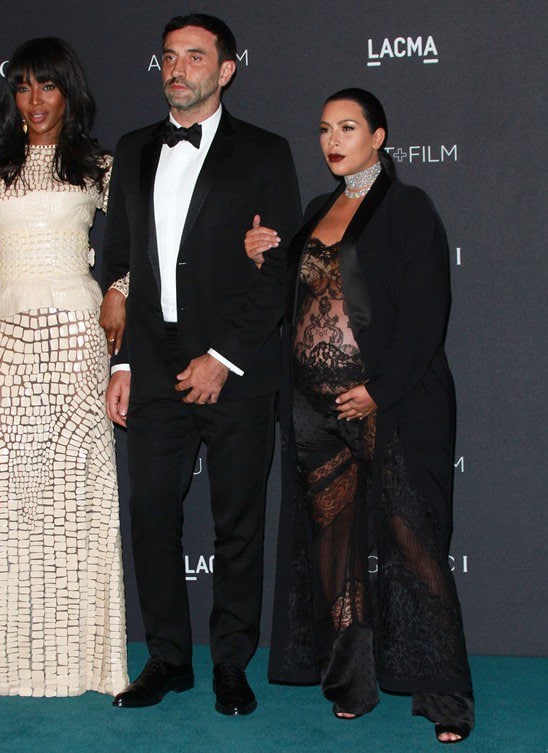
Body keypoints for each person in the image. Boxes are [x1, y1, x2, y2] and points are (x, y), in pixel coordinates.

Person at [245, 88, 473, 743]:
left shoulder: (408, 207)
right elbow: (295, 301)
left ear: (380, 135)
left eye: (348, 127)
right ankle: (352, 681)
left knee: (413, 540)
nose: (333, 139)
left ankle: (443, 693)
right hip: (314, 410)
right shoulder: (316, 210)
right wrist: (265, 255)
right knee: (335, 548)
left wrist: (378, 387)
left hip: (392, 403)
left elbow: (428, 313)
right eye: (324, 129)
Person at [0, 37, 128, 702]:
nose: (34, 101)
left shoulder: (101, 165)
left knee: (77, 495)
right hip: (3, 342)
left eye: (48, 86)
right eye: (23, 87)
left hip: (76, 343)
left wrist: (119, 292)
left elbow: (129, 252)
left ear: (70, 91)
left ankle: (89, 663)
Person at [102, 14, 301, 715]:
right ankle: (167, 658)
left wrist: (223, 357)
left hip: (236, 369)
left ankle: (230, 662)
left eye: (195, 56)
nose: (177, 68)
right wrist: (122, 361)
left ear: (225, 70)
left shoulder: (266, 152)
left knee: (237, 519)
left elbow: (276, 271)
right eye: (168, 56)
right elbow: (117, 264)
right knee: (152, 511)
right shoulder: (129, 150)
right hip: (151, 366)